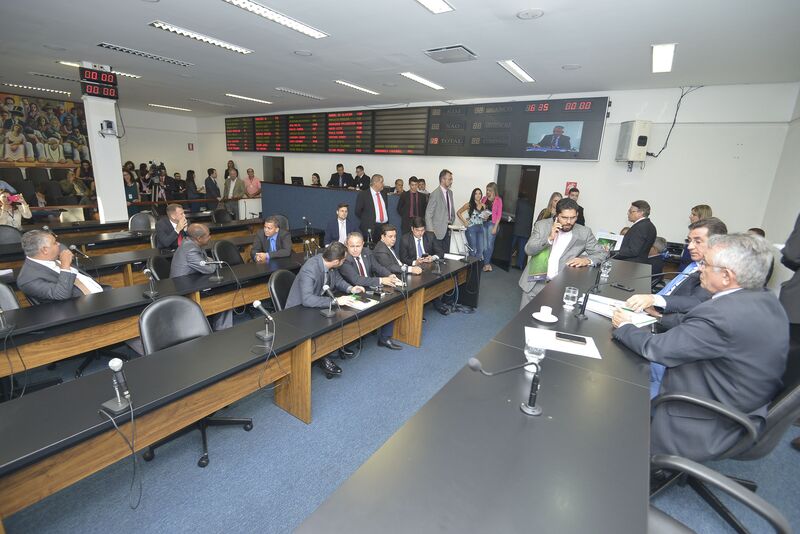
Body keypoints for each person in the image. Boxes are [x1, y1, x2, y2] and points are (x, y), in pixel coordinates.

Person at [612, 234, 789, 461]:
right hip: (739, 404)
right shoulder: (766, 300)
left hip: (705, 418)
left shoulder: (723, 314)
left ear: (726, 276)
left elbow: (658, 350)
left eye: (705, 264)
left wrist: (624, 325)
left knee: (616, 396)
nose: (699, 269)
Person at [285, 241, 365, 377]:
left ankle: (335, 346)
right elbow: (307, 299)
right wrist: (334, 301)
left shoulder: (329, 263)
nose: (344, 262)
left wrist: (351, 288)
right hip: (297, 310)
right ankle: (324, 358)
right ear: (336, 261)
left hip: (316, 302)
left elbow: (337, 280)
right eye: (343, 260)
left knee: (341, 313)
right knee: (329, 317)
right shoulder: (310, 268)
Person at [518, 198, 605, 310]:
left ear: (577, 215)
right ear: (557, 214)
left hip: (561, 287)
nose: (569, 221)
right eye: (564, 217)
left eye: (573, 217)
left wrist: (586, 260)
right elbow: (529, 250)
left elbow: (601, 253)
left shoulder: (584, 232)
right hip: (535, 284)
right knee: (524, 318)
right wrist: (549, 238)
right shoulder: (542, 226)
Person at [339, 232, 403, 350]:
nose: (355, 249)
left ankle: (385, 338)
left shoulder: (367, 252)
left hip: (370, 287)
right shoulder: (344, 259)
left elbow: (377, 267)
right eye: (351, 246)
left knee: (390, 301)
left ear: (363, 244)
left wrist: (389, 275)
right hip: (353, 292)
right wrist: (381, 280)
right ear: (346, 245)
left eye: (358, 246)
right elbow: (356, 279)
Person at [170, 223, 233, 330]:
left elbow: (206, 261)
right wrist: (212, 262)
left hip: (193, 281)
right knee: (225, 292)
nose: (210, 237)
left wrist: (208, 261)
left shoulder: (190, 243)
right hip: (184, 290)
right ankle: (222, 328)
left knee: (224, 285)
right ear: (199, 238)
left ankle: (221, 325)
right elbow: (209, 268)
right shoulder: (190, 250)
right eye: (208, 235)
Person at [17, 229, 104, 302]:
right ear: (45, 250)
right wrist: (65, 265)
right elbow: (61, 295)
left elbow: (62, 246)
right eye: (55, 243)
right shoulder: (27, 279)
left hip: (101, 293)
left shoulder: (48, 257)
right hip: (84, 306)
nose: (59, 244)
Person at [400, 217, 450, 315]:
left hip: (429, 266)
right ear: (412, 229)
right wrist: (415, 262)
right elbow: (403, 259)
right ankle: (418, 311)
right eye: (417, 230)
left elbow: (440, 252)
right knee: (420, 283)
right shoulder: (405, 239)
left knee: (436, 278)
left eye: (422, 230)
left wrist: (433, 257)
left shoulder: (430, 236)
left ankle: (437, 301)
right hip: (415, 268)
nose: (420, 233)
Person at [425, 169, 456, 253]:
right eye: (449, 179)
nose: (451, 181)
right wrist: (431, 231)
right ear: (442, 179)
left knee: (446, 254)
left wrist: (451, 221)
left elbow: (451, 210)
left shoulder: (450, 193)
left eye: (451, 179)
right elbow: (428, 214)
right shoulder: (435, 194)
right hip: (437, 232)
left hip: (448, 229)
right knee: (438, 256)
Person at [354, 174, 389, 245]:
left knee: (383, 249)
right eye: (381, 182)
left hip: (384, 227)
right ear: (375, 183)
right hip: (371, 228)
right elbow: (358, 211)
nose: (383, 184)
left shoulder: (384, 194)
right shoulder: (363, 194)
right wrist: (367, 220)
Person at [678, 204, 713, 270]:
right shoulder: (692, 230)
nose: (690, 217)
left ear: (702, 217)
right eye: (689, 240)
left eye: (694, 215)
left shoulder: (708, 235)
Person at [456, 188, 485, 262]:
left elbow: (483, 218)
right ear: (473, 195)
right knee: (473, 249)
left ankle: (476, 266)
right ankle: (471, 266)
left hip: (481, 228)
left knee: (481, 249)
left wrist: (485, 218)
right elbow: (458, 212)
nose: (478, 195)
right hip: (471, 228)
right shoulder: (469, 204)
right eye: (476, 193)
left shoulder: (483, 205)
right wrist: (464, 222)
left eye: (479, 193)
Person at [481, 182, 503, 272]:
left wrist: (495, 227)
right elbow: (481, 211)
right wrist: (482, 216)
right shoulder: (484, 199)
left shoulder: (498, 200)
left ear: (494, 191)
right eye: (487, 190)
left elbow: (499, 215)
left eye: (490, 190)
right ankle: (487, 264)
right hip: (484, 223)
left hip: (492, 224)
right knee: (484, 245)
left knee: (489, 245)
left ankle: (486, 264)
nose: (487, 192)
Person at [511, 192, 534, 269]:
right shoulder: (531, 205)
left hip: (516, 229)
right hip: (526, 230)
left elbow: (514, 214)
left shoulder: (518, 203)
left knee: (510, 246)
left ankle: (506, 262)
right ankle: (519, 265)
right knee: (522, 249)